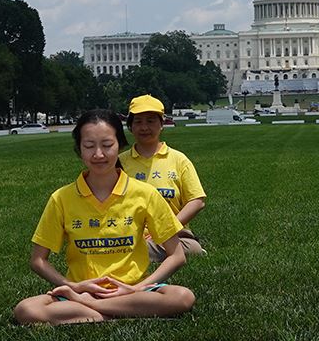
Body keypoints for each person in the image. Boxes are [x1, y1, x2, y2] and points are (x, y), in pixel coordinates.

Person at [14, 109, 195, 326]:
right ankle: (120, 312)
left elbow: (177, 255)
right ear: (79, 149)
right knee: (26, 310)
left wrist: (137, 288)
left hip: (132, 291)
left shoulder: (145, 194)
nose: (98, 154)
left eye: (107, 145)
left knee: (182, 297)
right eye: (89, 146)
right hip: (82, 291)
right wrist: (74, 287)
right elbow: (38, 260)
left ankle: (92, 311)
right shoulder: (61, 198)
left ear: (120, 145)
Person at [120, 94, 207, 260]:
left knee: (192, 247)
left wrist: (166, 229)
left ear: (162, 124)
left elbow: (197, 201)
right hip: (129, 234)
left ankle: (135, 254)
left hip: (173, 234)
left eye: (150, 121)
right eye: (138, 122)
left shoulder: (178, 159)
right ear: (130, 126)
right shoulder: (120, 163)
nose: (144, 127)